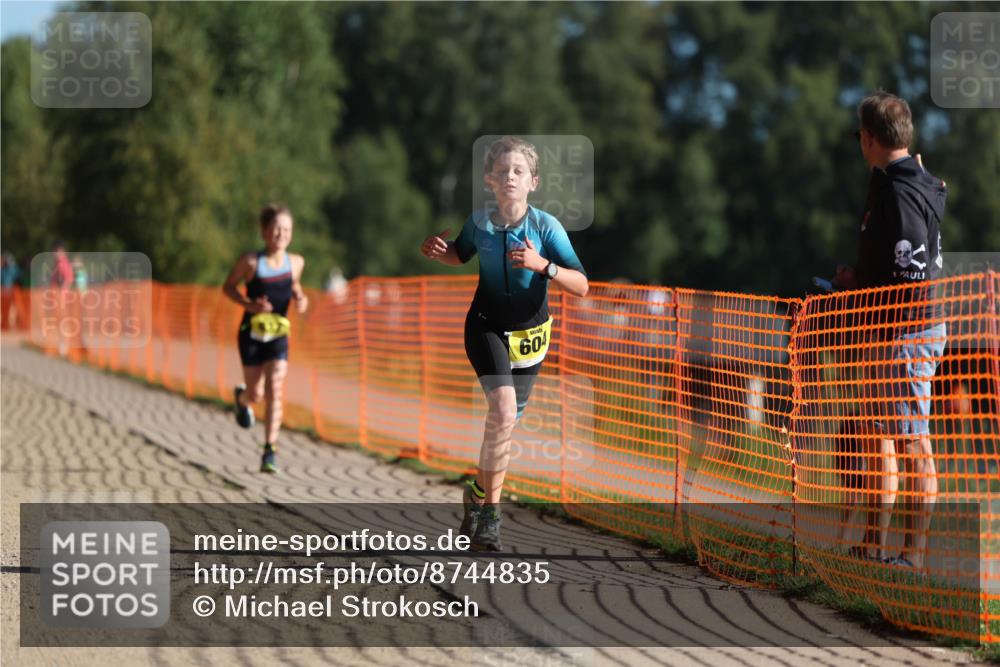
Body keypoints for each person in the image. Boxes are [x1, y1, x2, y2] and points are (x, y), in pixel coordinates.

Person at [420, 136, 588, 551]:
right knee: (503, 409)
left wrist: (542, 265)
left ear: (533, 181)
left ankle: (477, 495)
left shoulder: (547, 227)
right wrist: (435, 251)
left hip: (532, 336)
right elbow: (458, 255)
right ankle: (492, 519)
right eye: (503, 171)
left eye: (518, 171)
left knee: (503, 426)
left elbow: (582, 285)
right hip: (486, 326)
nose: (510, 177)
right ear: (489, 179)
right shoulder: (478, 224)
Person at [832, 92, 947, 570]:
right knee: (882, 436)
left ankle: (911, 556)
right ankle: (876, 544)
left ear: (871, 138)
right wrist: (856, 281)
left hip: (905, 330)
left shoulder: (899, 192)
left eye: (861, 135)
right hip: (890, 330)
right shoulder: (895, 183)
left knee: (911, 440)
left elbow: (909, 269)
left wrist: (864, 291)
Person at [222, 204, 309, 473]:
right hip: (251, 334)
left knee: (275, 388)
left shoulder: (296, 262)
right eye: (275, 229)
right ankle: (242, 400)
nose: (280, 234)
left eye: (286, 229)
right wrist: (250, 305)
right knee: (256, 393)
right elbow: (228, 288)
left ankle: (270, 450)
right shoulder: (250, 262)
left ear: (291, 234)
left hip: (278, 334)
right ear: (264, 232)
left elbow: (294, 285)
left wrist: (301, 298)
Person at [1, 252, 20, 330]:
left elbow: (17, 279)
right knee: (5, 309)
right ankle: (5, 325)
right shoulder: (2, 269)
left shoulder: (14, 269)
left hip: (13, 292)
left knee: (16, 308)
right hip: (4, 292)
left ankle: (17, 324)